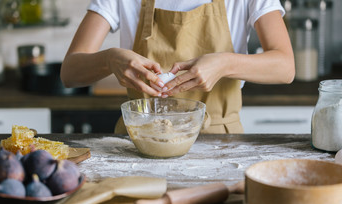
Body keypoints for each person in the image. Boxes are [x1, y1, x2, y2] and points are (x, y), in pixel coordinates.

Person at [61, 0, 295, 134]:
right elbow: (70, 73)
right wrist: (109, 59)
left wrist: (225, 63)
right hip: (139, 144)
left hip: (219, 145)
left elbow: (285, 66)